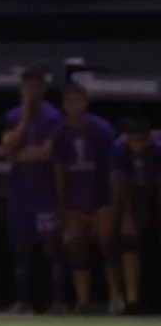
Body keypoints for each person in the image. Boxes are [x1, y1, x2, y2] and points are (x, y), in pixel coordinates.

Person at [2, 68, 64, 314]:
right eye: (27, 87)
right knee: (22, 247)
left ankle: (58, 301)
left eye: (36, 87)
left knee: (51, 247)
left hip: (46, 191)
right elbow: (7, 148)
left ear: (43, 88)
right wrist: (25, 120)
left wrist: (19, 155)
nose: (31, 92)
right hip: (20, 192)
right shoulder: (13, 115)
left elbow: (47, 152)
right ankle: (22, 301)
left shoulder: (54, 116)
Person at [52, 83, 118, 313]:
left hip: (101, 200)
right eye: (69, 101)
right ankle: (83, 300)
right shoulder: (60, 134)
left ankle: (116, 297)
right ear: (64, 105)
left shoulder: (101, 129)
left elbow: (113, 169)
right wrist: (64, 208)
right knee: (75, 245)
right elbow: (59, 172)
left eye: (78, 100)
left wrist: (111, 203)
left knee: (107, 241)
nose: (74, 105)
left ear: (86, 102)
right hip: (75, 203)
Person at [108, 118, 160, 315]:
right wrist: (128, 216)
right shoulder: (119, 150)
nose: (138, 145)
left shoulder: (157, 151)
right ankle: (131, 300)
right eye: (133, 140)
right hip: (130, 204)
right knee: (125, 239)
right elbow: (120, 186)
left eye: (142, 140)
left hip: (152, 202)